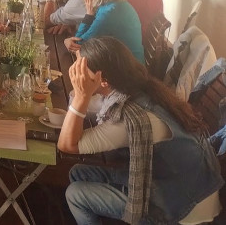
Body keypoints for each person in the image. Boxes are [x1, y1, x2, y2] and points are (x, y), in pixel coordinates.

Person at [59, 37, 222, 225]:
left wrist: (81, 96)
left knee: (76, 194)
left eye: (81, 67)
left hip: (184, 207)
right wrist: (81, 96)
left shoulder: (130, 119)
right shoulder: (137, 89)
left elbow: (67, 145)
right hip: (181, 184)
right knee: (78, 173)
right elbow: (90, 108)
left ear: (103, 80)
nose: (76, 72)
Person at [64, 0, 144, 64]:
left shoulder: (110, 12)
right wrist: (90, 13)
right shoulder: (113, 5)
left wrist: (67, 41)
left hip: (127, 70)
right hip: (124, 64)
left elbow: (79, 46)